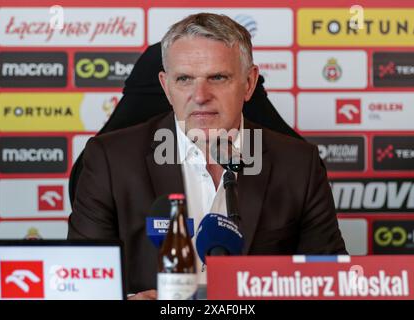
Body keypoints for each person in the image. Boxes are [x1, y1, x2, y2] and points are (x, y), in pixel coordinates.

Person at [68, 13, 346, 300]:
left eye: (217, 77)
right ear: (166, 86)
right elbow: (80, 282)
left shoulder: (299, 163)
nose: (200, 95)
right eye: (184, 79)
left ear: (249, 83)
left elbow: (328, 281)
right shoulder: (110, 159)